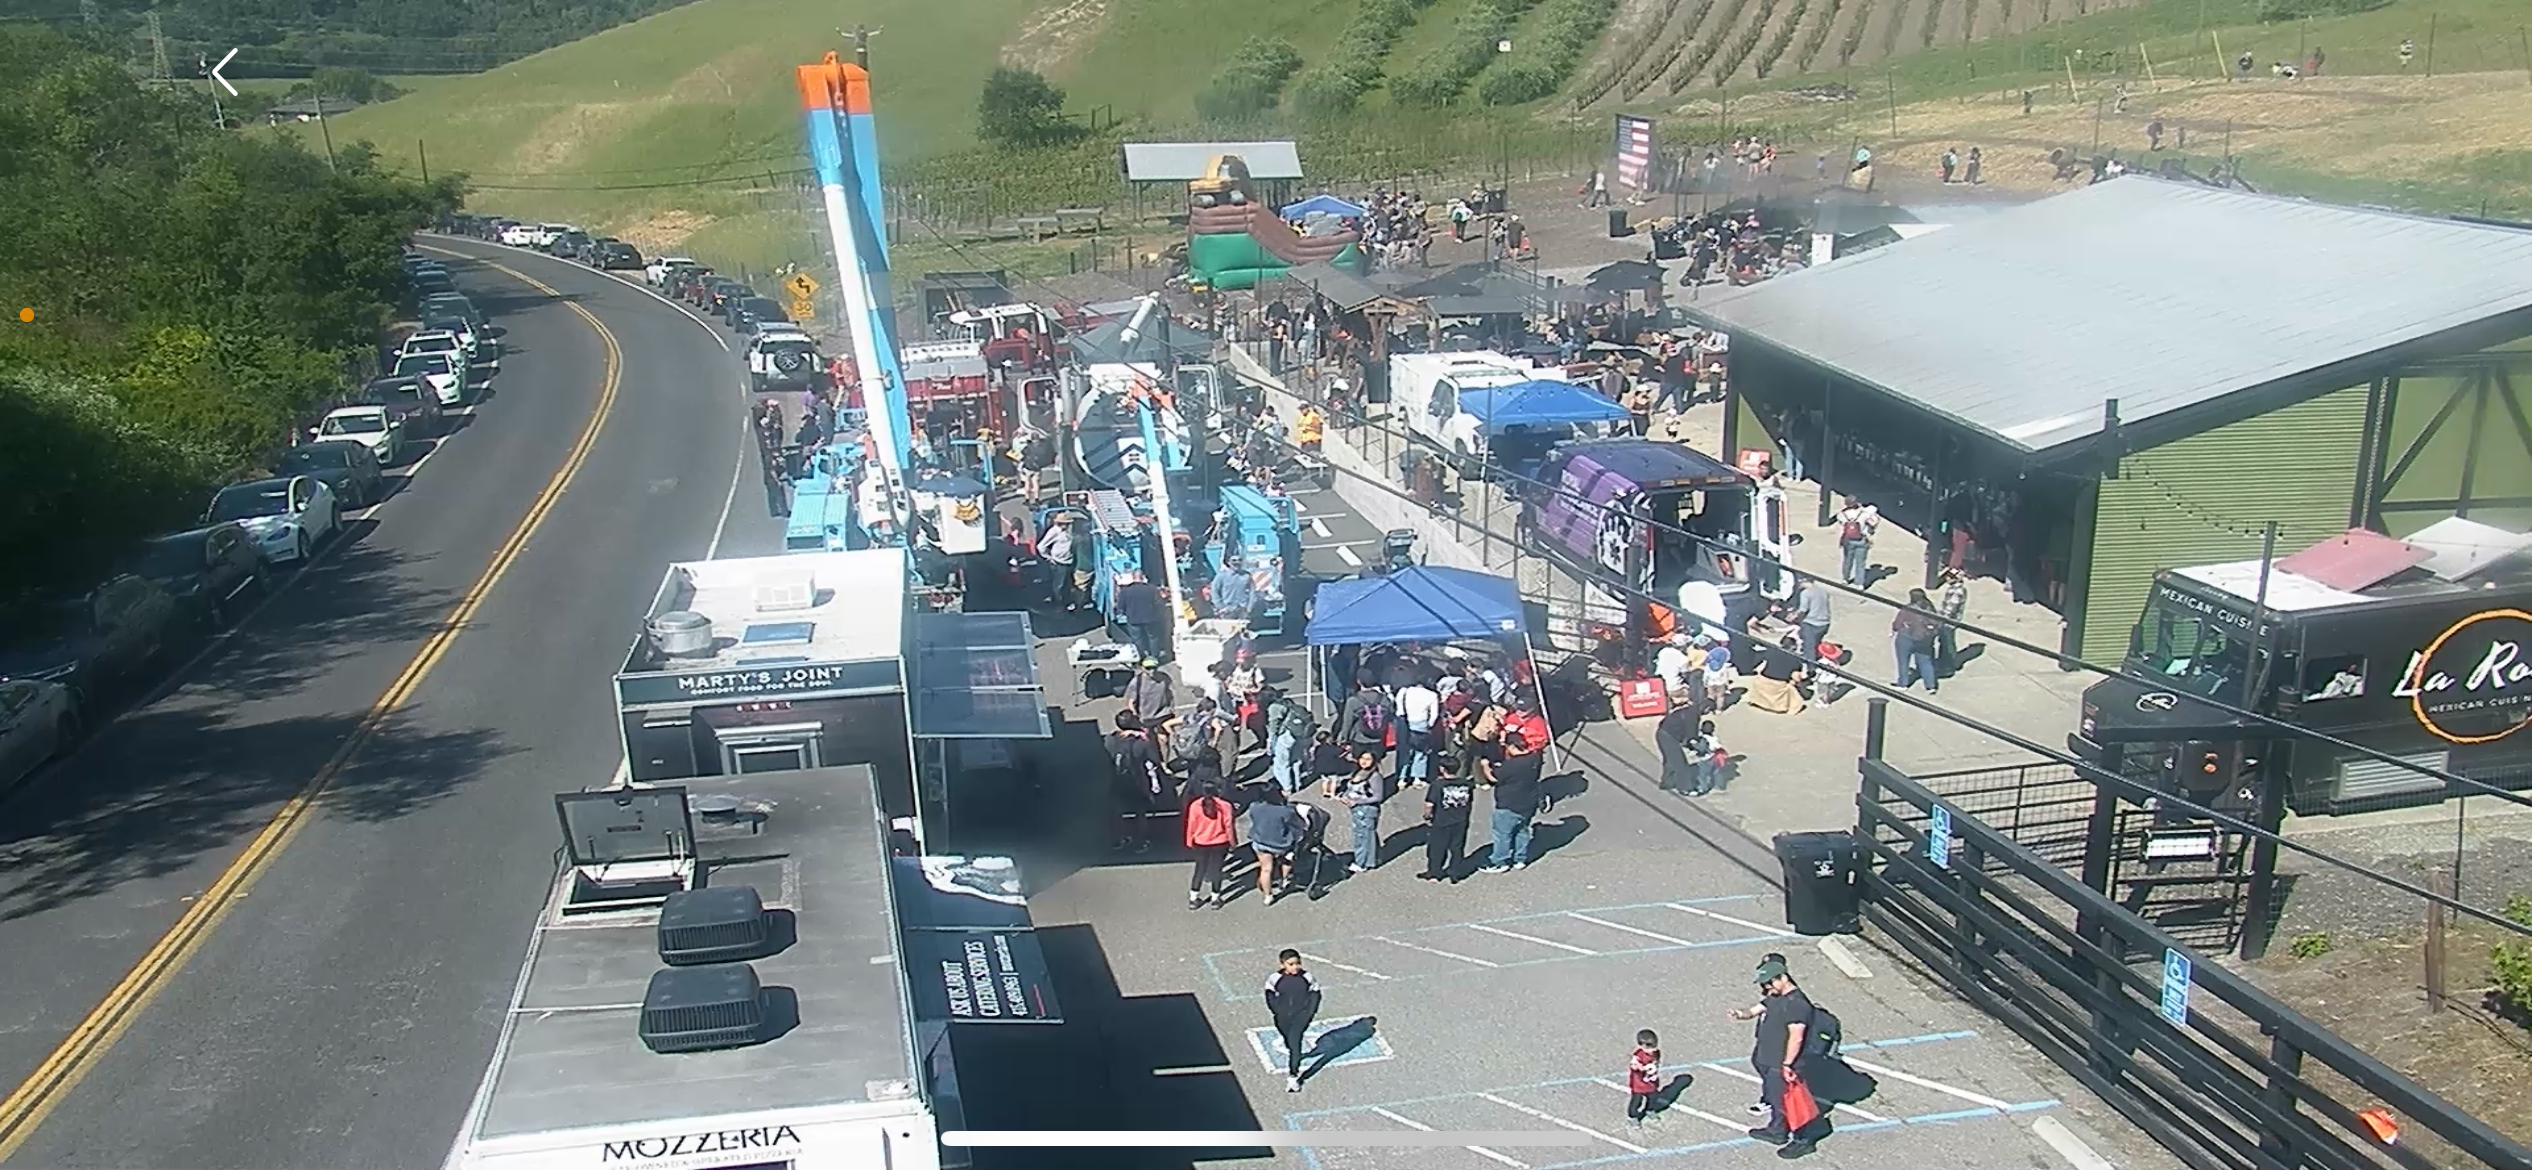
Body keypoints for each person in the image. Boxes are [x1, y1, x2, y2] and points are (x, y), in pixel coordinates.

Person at [1732, 955, 1830, 1159]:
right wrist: (1741, 1014)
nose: (1766, 988)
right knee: (1778, 1100)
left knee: (1792, 1102)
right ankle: (1777, 1130)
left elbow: (1796, 1037)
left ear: (1782, 977)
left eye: (1769, 983)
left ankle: (1804, 1139)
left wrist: (1787, 1064)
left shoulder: (1797, 1004)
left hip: (1782, 1063)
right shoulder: (1775, 996)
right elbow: (1756, 1009)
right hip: (1769, 1059)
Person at [1107, 711, 1171, 853]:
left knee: (1117, 811)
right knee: (1140, 812)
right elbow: (1155, 760)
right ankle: (1141, 842)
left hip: (1116, 780)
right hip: (1136, 781)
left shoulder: (1110, 740)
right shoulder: (1140, 743)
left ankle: (1119, 839)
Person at [1481, 729, 1544, 872]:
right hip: (1529, 802)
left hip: (1509, 804)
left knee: (1502, 834)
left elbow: (1493, 778)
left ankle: (1500, 861)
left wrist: (1485, 766)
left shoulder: (1511, 766)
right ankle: (1520, 859)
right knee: (1522, 831)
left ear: (1512, 746)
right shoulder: (1535, 759)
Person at [1265, 949, 1324, 1093]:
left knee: (1295, 1043)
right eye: (1291, 964)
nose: (1295, 967)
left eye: (1297, 963)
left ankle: (1293, 1077)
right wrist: (1276, 1010)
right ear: (1282, 964)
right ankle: (1294, 1054)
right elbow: (1269, 995)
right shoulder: (1274, 978)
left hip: (1301, 1016)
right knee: (1288, 1040)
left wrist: (1310, 1012)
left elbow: (1315, 994)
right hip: (1282, 1017)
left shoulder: (1307, 977)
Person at [1329, 750, 1388, 874]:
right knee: (1366, 836)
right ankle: (1372, 859)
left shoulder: (1375, 776)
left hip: (1366, 811)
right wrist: (1344, 796)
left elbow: (1378, 797)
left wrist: (1357, 801)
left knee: (1363, 837)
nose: (1364, 761)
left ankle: (1361, 863)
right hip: (1356, 810)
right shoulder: (1358, 772)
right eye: (1362, 758)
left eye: (1368, 759)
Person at [1247, 786, 1306, 902]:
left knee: (1265, 869)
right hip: (1280, 844)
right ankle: (1284, 880)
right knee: (1288, 857)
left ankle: (1268, 896)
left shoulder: (1254, 807)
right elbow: (1298, 825)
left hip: (1260, 841)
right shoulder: (1285, 811)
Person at [1184, 779, 1236, 909]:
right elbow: (1229, 826)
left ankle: (1193, 897)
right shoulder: (1225, 805)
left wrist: (1189, 840)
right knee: (1216, 869)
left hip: (1201, 841)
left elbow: (1191, 824)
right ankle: (1215, 898)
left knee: (1200, 869)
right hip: (1220, 841)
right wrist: (1233, 841)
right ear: (1218, 790)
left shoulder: (1195, 805)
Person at [1421, 760, 1477, 881]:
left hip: (1441, 821)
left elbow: (1429, 804)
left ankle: (1435, 873)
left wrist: (1427, 816)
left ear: (1442, 769)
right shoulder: (1466, 784)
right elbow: (1469, 801)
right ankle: (1455, 873)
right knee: (1457, 848)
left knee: (1437, 848)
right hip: (1461, 820)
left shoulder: (1437, 785)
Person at [1394, 668, 1441, 787]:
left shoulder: (1404, 691)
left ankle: (1402, 778)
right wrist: (1429, 725)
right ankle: (1417, 778)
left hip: (1405, 724)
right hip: (1422, 725)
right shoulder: (1432, 695)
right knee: (1421, 752)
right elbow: (1434, 715)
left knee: (1405, 751)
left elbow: (1399, 710)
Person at [1265, 688, 1317, 792]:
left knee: (1281, 763)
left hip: (1287, 736)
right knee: (1296, 760)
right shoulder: (1288, 703)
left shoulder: (1274, 707)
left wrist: (1270, 742)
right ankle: (1297, 784)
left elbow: (1273, 727)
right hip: (1300, 735)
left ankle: (1286, 787)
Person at [1338, 671, 1394, 766]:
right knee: (1374, 763)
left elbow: (1347, 722)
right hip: (1378, 738)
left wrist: (1344, 740)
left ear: (1359, 681)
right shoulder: (1384, 699)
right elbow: (1390, 715)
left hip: (1359, 739)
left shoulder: (1353, 701)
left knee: (1361, 764)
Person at [1746, 631, 1807, 715]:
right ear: (1794, 647)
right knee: (1793, 685)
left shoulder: (1771, 651)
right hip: (1779, 684)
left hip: (1763, 680)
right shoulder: (1795, 659)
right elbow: (1796, 678)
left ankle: (1758, 701)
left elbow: (1759, 662)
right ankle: (1783, 706)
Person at [1892, 588, 1940, 694]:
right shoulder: (1930, 608)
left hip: (1907, 637)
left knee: (1903, 661)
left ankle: (1903, 683)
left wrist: (1894, 629)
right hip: (1925, 640)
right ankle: (1930, 685)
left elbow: (1897, 624)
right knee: (1926, 662)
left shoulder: (1908, 609)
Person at [1655, 699, 1706, 796]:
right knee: (1680, 764)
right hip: (1670, 737)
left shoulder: (1687, 711)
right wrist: (1698, 748)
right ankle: (1685, 788)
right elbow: (1692, 736)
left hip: (1661, 732)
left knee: (1670, 760)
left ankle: (1667, 782)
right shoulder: (1693, 717)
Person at [1834, 497, 1878, 587]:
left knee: (1847, 560)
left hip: (1848, 540)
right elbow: (1874, 521)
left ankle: (1845, 579)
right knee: (1861, 563)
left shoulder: (1841, 514)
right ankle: (1859, 583)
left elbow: (1842, 523)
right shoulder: (1864, 513)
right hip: (1862, 539)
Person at [1627, 1028, 1663, 1128]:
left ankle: (1649, 1109)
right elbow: (1634, 1066)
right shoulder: (1638, 1057)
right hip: (1639, 1084)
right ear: (1642, 1046)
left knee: (1653, 1097)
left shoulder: (1656, 1053)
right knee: (1636, 1101)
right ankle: (1632, 1117)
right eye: (1650, 1048)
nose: (1653, 1049)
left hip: (1651, 1081)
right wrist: (1639, 1067)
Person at [1935, 567, 1968, 673]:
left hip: (1949, 622)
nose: (1947, 579)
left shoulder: (1958, 591)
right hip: (1946, 620)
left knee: (1948, 643)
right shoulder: (1953, 588)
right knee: (1944, 641)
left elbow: (1951, 608)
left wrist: (1940, 618)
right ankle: (1943, 661)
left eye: (1948, 577)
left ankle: (1950, 664)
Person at [1125, 657, 1174, 727]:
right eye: (1148, 668)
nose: (1152, 671)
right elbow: (1130, 703)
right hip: (1146, 719)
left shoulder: (1164, 677)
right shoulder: (1137, 682)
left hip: (1164, 714)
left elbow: (1170, 693)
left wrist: (1171, 708)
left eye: (1154, 667)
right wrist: (1136, 717)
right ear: (1142, 668)